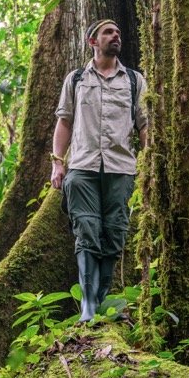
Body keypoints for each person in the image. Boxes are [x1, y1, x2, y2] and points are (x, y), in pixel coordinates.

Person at [50, 19, 148, 322]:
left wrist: (149, 165)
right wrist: (57, 162)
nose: (116, 36)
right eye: (108, 33)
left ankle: (102, 301)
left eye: (118, 32)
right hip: (82, 167)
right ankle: (88, 308)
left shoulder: (134, 80)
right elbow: (64, 122)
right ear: (93, 41)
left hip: (121, 169)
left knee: (115, 234)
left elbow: (144, 125)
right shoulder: (77, 79)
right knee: (87, 233)